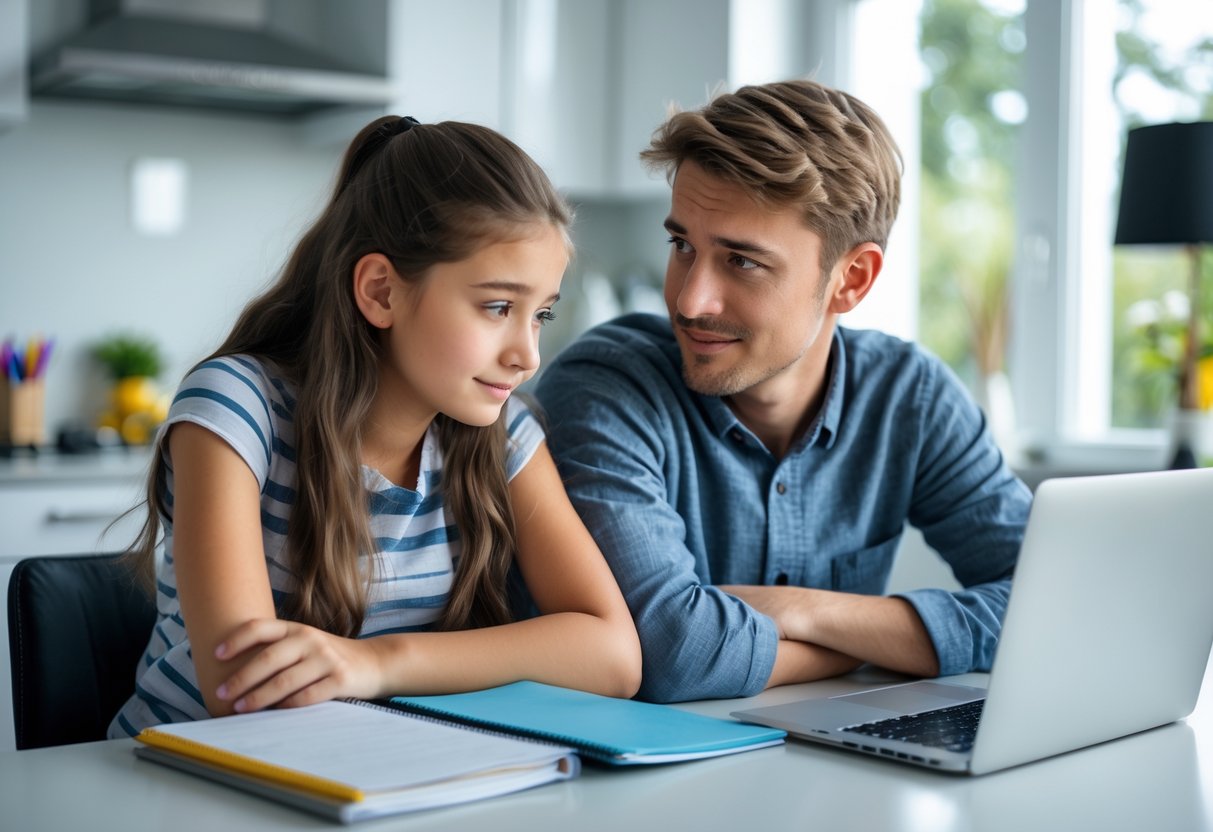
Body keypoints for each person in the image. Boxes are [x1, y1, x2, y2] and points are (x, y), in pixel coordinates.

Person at [109, 116, 642, 737]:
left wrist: (377, 663)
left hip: (382, 773)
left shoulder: (505, 435)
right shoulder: (236, 409)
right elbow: (246, 692)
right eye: (498, 307)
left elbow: (613, 656)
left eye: (540, 314)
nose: (527, 355)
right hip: (190, 782)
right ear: (381, 291)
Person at [534, 79, 1032, 703]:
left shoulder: (912, 398)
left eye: (742, 261)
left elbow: (1051, 602)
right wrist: (860, 648)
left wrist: (803, 611)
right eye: (682, 245)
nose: (689, 300)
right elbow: (670, 655)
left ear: (852, 279)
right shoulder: (606, 391)